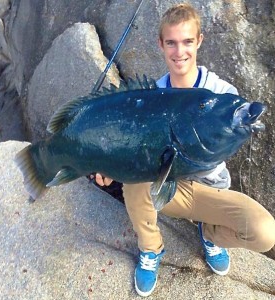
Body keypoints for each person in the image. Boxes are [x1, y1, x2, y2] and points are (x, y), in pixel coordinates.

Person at [94, 3, 275, 297]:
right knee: (135, 178)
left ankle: (210, 234)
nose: (180, 52)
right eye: (172, 43)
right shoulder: (152, 97)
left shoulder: (222, 94)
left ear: (199, 41)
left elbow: (237, 125)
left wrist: (242, 126)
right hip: (170, 189)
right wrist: (107, 163)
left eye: (187, 41)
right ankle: (151, 249)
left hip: (211, 191)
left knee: (265, 232)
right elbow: (132, 144)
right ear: (161, 45)